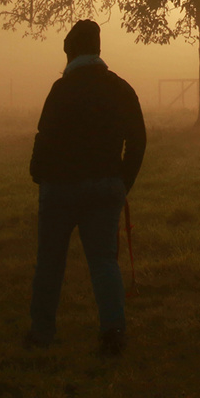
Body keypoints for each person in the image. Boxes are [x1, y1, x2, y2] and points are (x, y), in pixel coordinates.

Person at [25, 18, 146, 356]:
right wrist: (123, 182)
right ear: (97, 50)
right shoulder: (120, 88)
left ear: (70, 53)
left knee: (49, 262)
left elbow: (44, 137)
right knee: (104, 262)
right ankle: (112, 333)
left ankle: (42, 333)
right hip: (105, 186)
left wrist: (38, 172)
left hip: (59, 188)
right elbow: (138, 140)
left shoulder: (60, 90)